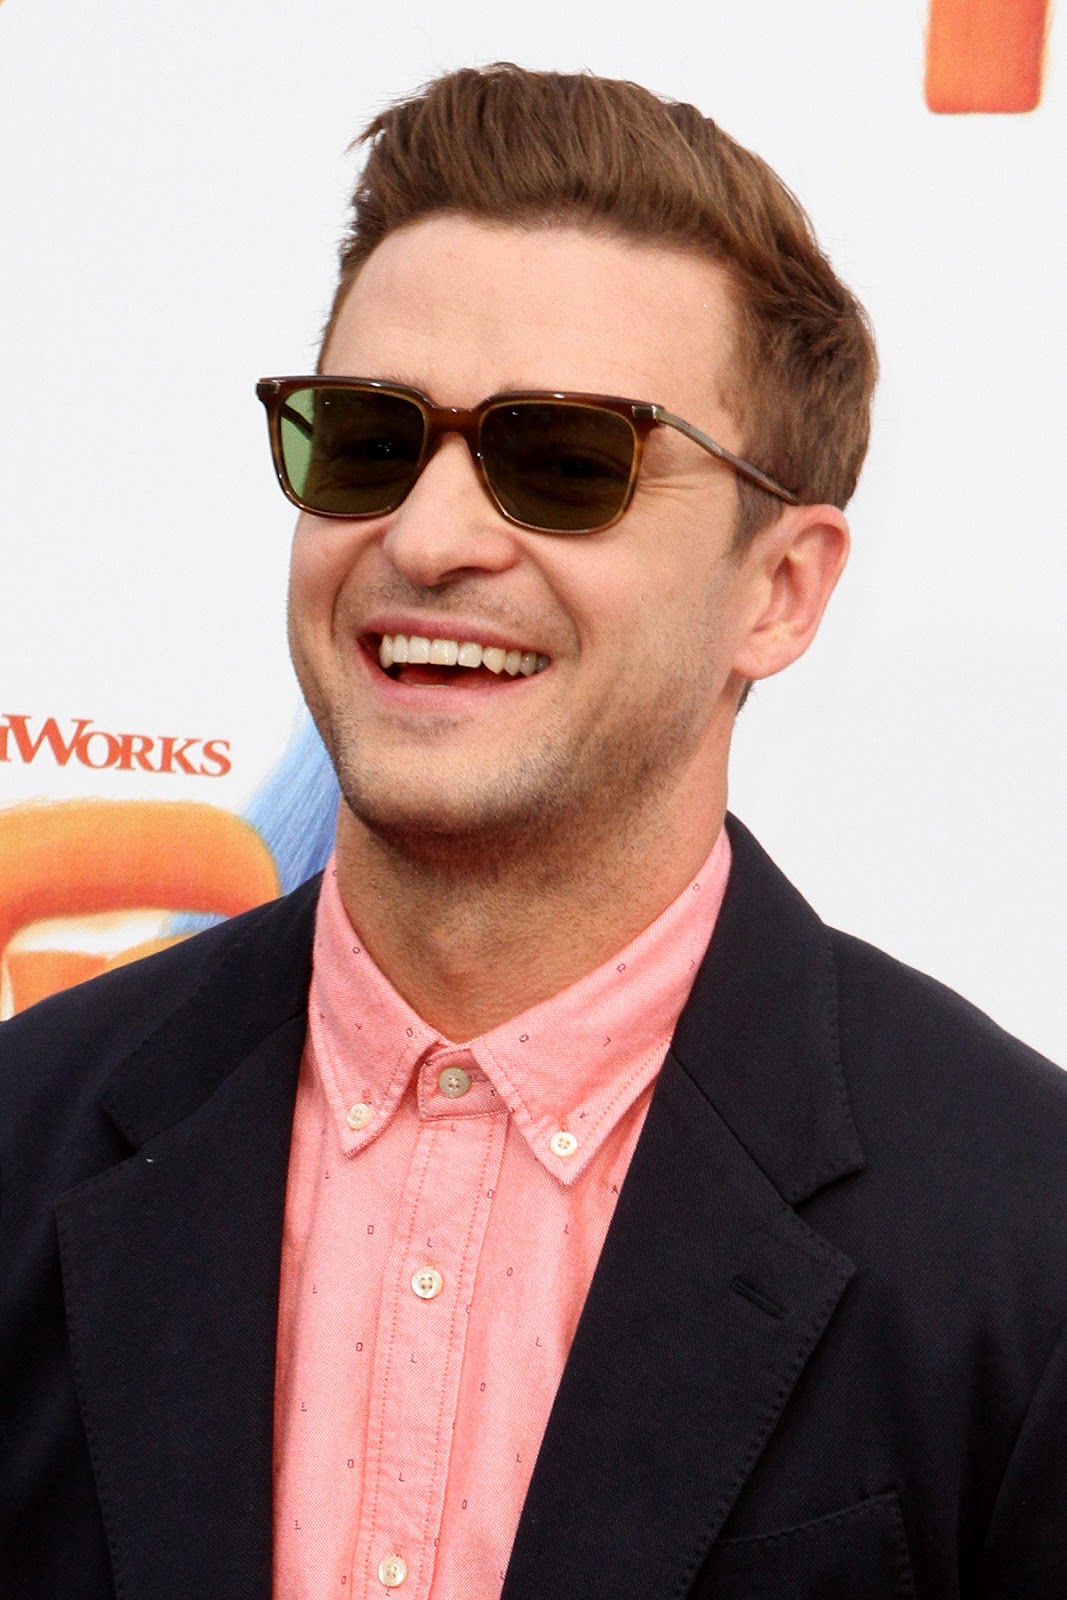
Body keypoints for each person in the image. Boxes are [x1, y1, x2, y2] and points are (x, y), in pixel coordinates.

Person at [2, 63, 1065, 1600]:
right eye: (367, 442)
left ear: (780, 590)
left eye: (566, 462)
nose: (429, 539)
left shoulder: (1023, 1242)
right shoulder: (24, 1145)